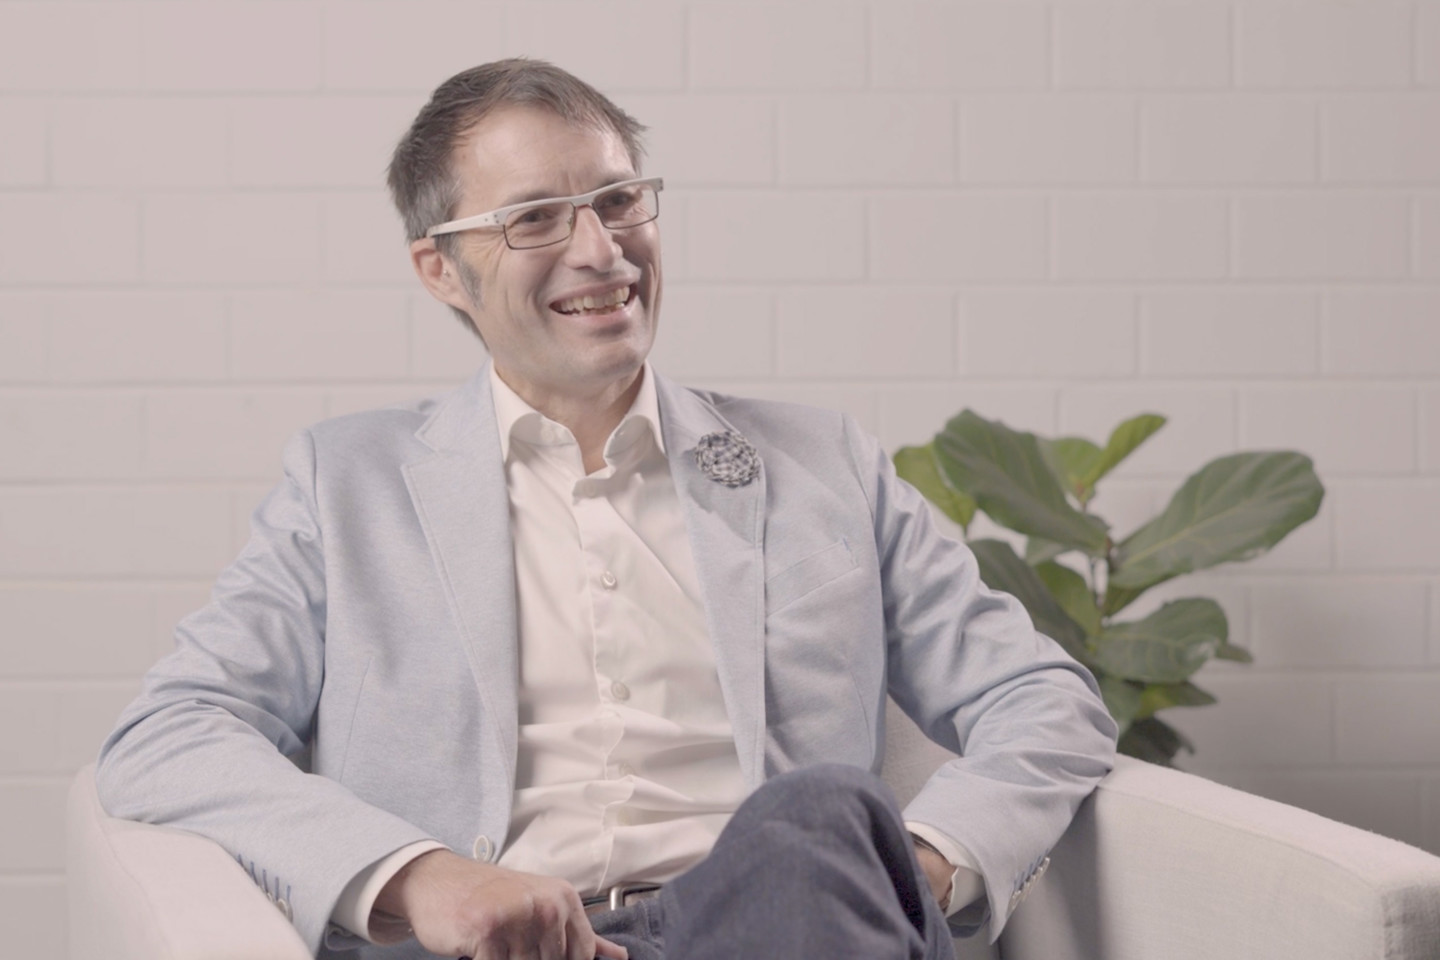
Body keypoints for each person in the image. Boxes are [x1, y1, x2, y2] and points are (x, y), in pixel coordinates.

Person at [96, 58, 1117, 960]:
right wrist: (419, 876)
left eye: (621, 200)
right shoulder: (344, 484)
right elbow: (171, 733)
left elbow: (1044, 702)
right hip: (502, 953)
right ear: (440, 269)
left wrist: (917, 870)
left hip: (779, 924)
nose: (600, 249)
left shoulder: (824, 465)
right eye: (534, 218)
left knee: (822, 818)